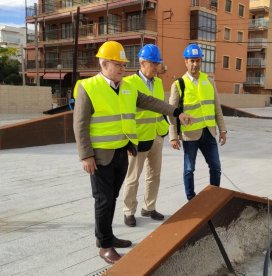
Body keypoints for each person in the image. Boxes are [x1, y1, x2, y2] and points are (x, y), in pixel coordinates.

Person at [73, 41, 193, 264]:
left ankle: (107, 237)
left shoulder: (127, 88)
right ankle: (105, 245)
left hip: (122, 152)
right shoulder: (88, 87)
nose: (121, 68)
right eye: (117, 64)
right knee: (103, 200)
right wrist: (85, 155)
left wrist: (177, 112)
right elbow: (80, 125)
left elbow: (151, 102)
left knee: (112, 198)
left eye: (123, 64)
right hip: (99, 156)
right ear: (104, 63)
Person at [168, 43, 227, 201]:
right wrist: (173, 136)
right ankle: (191, 199)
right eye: (191, 60)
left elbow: (217, 108)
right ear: (185, 61)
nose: (195, 64)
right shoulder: (178, 85)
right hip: (190, 134)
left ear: (201, 61)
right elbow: (172, 113)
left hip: (209, 132)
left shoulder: (209, 81)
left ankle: (215, 196)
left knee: (215, 166)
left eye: (197, 60)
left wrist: (223, 130)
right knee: (189, 169)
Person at [122, 44, 167, 227]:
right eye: (153, 63)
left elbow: (161, 108)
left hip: (156, 135)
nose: (156, 67)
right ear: (142, 63)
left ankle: (149, 207)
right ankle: (128, 211)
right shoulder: (130, 83)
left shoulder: (158, 83)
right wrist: (129, 139)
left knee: (154, 175)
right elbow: (126, 113)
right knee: (133, 177)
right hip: (138, 139)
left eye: (158, 63)